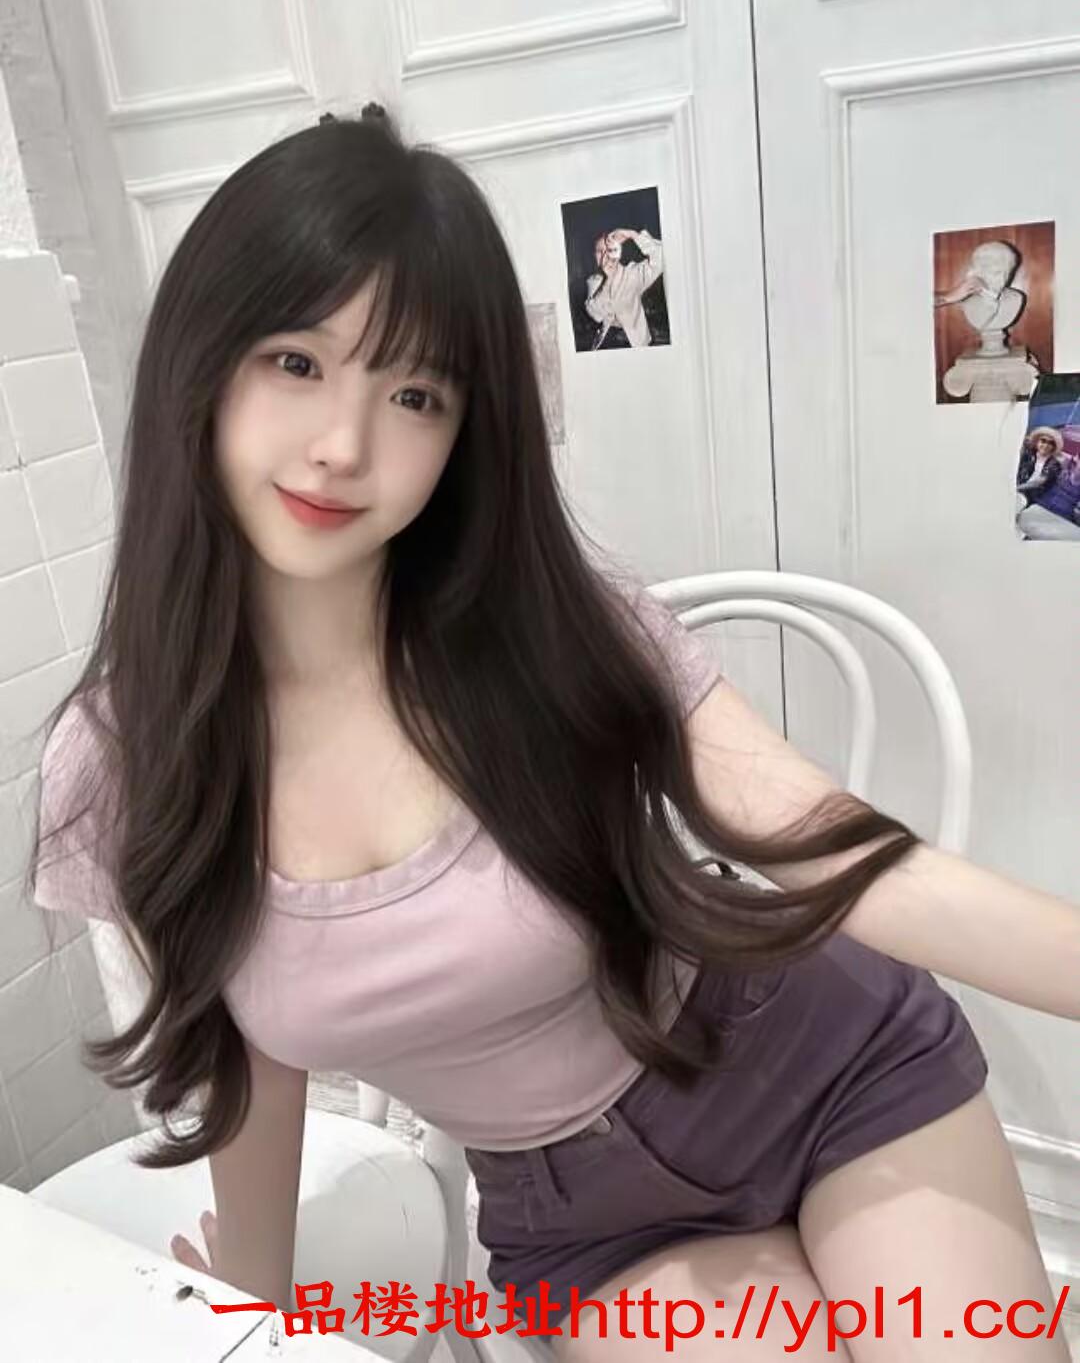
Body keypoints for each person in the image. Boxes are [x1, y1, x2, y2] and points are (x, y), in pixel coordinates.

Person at [25, 106, 1077, 1362]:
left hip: (822, 1062)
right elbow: (246, 1030)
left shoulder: (549, 628)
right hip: (589, 1224)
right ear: (200, 361)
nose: (344, 446)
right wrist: (254, 1292)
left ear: (464, 432)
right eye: (296, 362)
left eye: (413, 392)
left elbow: (824, 843)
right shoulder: (122, 764)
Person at [584, 227, 663, 348]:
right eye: (600, 251)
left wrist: (632, 235)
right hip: (606, 343)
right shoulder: (594, 281)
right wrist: (608, 280)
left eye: (609, 250)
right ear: (594, 256)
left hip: (636, 344)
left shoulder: (631, 274)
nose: (605, 255)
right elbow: (596, 314)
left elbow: (661, 257)